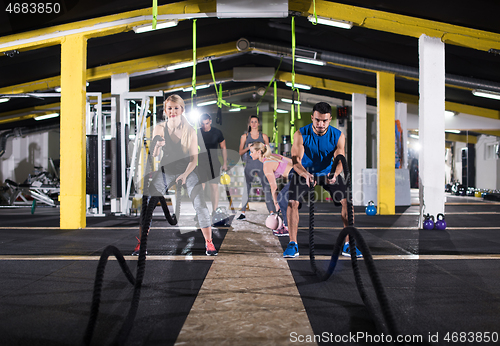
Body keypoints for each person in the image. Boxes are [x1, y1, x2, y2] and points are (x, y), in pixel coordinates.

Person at [133, 94, 217, 256]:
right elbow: (155, 155)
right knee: (148, 203)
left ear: (182, 109)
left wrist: (185, 175)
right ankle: (141, 243)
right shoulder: (159, 128)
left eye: (176, 108)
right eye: (169, 108)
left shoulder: (190, 130)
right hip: (166, 170)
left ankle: (209, 242)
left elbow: (194, 160)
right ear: (165, 110)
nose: (172, 111)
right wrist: (157, 145)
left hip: (188, 170)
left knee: (199, 203)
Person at [283, 102, 362, 258]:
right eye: (317, 120)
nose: (320, 124)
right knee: (292, 202)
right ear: (312, 117)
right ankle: (293, 244)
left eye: (324, 121)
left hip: (328, 173)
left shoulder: (338, 135)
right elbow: (296, 161)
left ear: (330, 119)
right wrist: (305, 175)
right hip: (304, 172)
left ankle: (348, 244)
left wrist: (335, 173)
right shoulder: (301, 134)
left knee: (348, 202)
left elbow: (340, 159)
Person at [249, 142, 293, 236]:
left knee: (281, 198)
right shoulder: (273, 156)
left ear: (259, 152)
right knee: (287, 200)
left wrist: (276, 203)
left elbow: (274, 187)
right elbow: (292, 162)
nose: (250, 154)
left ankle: (287, 228)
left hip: (297, 176)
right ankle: (289, 226)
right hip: (297, 174)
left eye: (252, 151)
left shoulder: (266, 165)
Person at [237, 115, 274, 220]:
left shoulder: (264, 136)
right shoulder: (245, 137)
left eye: (255, 122)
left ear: (258, 124)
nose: (253, 124)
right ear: (249, 124)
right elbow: (240, 152)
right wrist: (248, 148)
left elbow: (269, 152)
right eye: (251, 122)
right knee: (246, 188)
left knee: (266, 188)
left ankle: (271, 212)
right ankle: (243, 213)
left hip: (262, 165)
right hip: (250, 165)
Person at [198, 113, 228, 217]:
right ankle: (200, 211)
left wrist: (224, 163)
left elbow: (223, 147)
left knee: (214, 187)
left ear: (210, 121)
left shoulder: (217, 132)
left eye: (206, 123)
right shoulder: (197, 132)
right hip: (201, 163)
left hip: (214, 163)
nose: (205, 126)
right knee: (200, 188)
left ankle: (214, 211)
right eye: (202, 124)